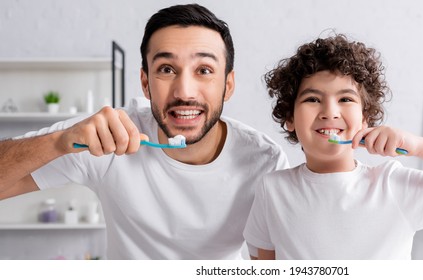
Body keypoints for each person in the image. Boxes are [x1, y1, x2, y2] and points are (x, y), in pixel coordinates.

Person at [0, 4, 289, 259]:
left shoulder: (265, 162)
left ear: (227, 85)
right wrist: (58, 142)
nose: (184, 91)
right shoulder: (108, 137)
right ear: (145, 82)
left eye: (203, 70)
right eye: (166, 69)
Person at [243, 34, 423, 260]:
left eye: (345, 99)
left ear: (365, 119)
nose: (330, 112)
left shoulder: (393, 184)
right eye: (313, 99)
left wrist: (420, 146)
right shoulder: (272, 189)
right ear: (290, 118)